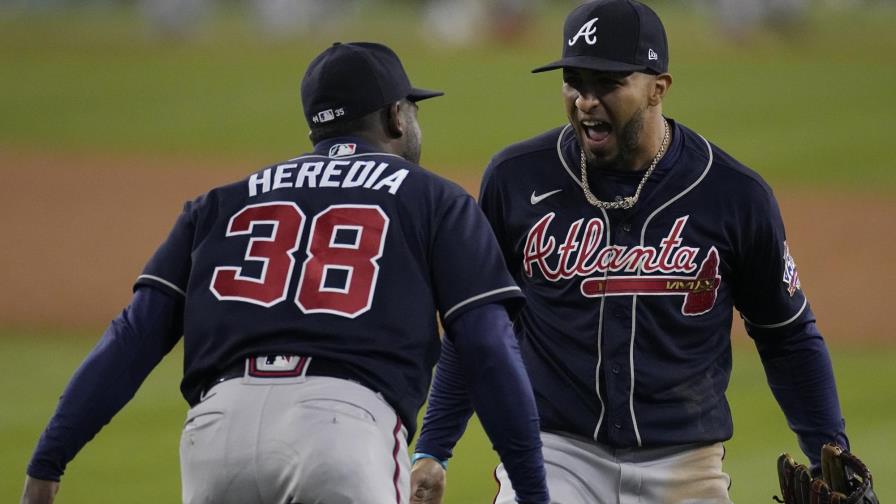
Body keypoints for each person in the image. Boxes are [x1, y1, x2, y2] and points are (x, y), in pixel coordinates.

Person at [21, 41, 549, 504]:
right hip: (343, 430)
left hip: (215, 436)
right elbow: (487, 347)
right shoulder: (437, 199)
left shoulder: (219, 202)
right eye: (412, 109)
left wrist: (48, 462)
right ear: (395, 118)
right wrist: (532, 490)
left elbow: (133, 336)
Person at [410, 1, 849, 502]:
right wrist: (433, 448)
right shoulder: (517, 179)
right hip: (555, 455)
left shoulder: (733, 194)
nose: (586, 100)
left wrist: (829, 454)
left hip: (687, 461)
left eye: (608, 83)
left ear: (658, 87)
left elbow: (786, 336)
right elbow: (478, 325)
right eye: (574, 81)